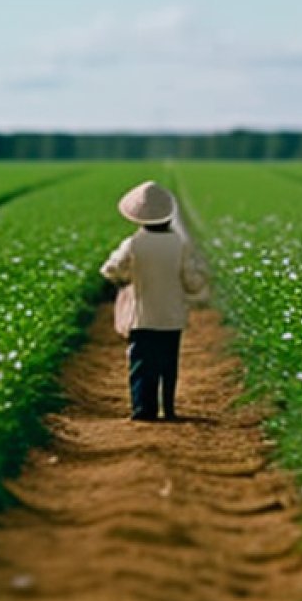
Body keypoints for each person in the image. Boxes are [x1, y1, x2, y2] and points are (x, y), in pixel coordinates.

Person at [99, 180, 208, 422]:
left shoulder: (134, 244)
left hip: (143, 317)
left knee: (141, 365)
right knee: (168, 364)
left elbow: (110, 269)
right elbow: (191, 281)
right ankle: (168, 409)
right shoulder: (180, 244)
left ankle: (143, 410)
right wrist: (202, 281)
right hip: (172, 317)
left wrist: (127, 279)